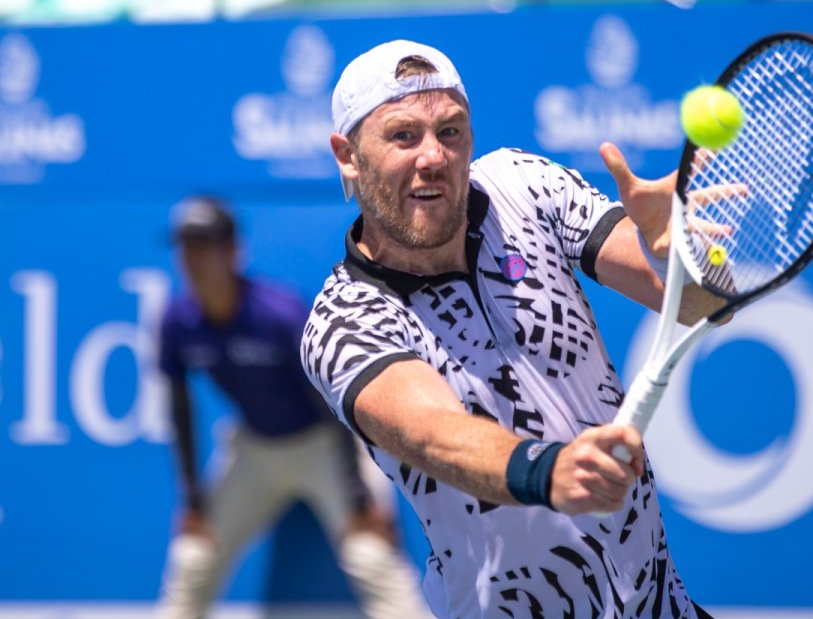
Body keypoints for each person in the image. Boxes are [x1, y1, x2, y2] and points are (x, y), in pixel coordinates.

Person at [300, 40, 729, 617]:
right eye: (403, 136)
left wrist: (678, 260)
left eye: (450, 132)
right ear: (348, 156)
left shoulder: (524, 187)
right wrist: (549, 470)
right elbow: (433, 433)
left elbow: (698, 305)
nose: (433, 156)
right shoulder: (342, 320)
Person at [156, 195, 432, 619]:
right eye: (186, 248)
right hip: (253, 447)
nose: (194, 260)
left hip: (326, 443)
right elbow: (180, 408)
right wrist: (194, 500)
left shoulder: (278, 314)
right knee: (193, 557)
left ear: (233, 251)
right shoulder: (177, 321)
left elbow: (331, 400)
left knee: (371, 556)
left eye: (205, 246)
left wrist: (358, 493)